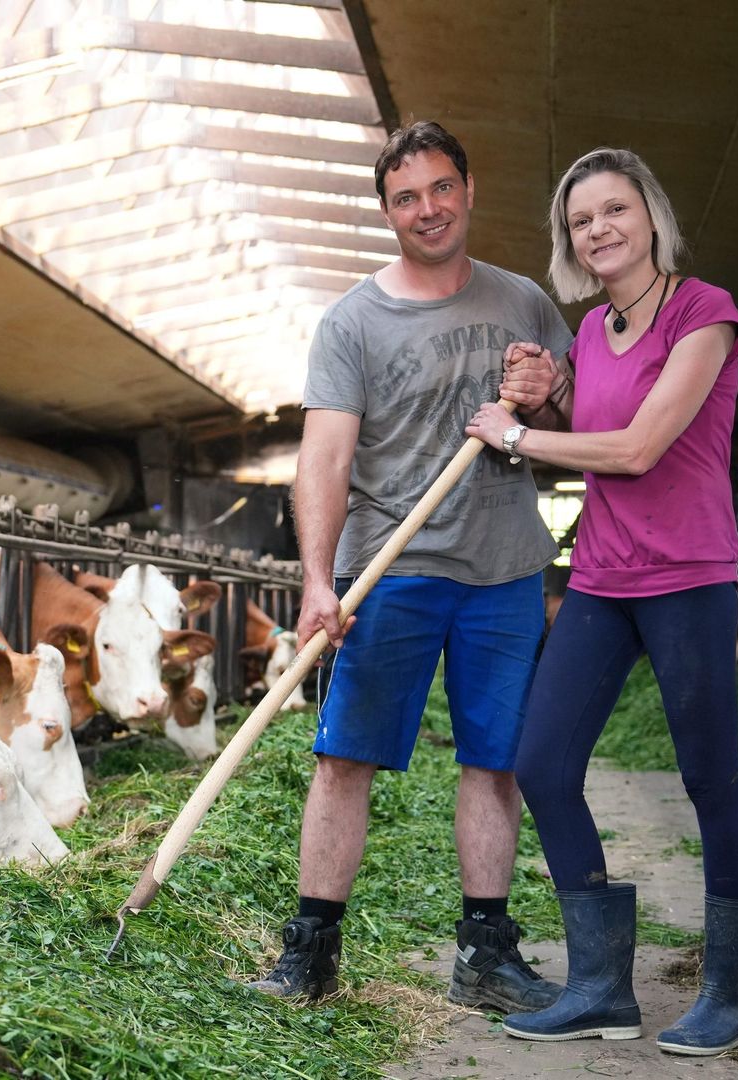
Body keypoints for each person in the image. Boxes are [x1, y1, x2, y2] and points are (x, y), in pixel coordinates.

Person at [251, 121, 571, 1011]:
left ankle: (485, 953)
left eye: (440, 189)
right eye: (405, 197)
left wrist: (548, 395)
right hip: (388, 570)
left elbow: (575, 422)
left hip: (505, 570)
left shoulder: (527, 305)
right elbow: (324, 459)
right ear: (384, 210)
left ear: (468, 189)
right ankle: (310, 949)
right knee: (344, 758)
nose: (426, 209)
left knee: (494, 764)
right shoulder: (354, 321)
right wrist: (319, 580)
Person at [464, 146, 738, 1055]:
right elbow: (582, 437)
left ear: (651, 214)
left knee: (709, 776)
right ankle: (599, 985)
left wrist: (515, 436)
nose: (598, 229)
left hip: (689, 575)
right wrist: (543, 398)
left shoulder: (703, 313)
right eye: (580, 220)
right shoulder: (588, 333)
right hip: (601, 575)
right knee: (543, 763)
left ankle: (728, 993)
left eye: (613, 210)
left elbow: (635, 449)